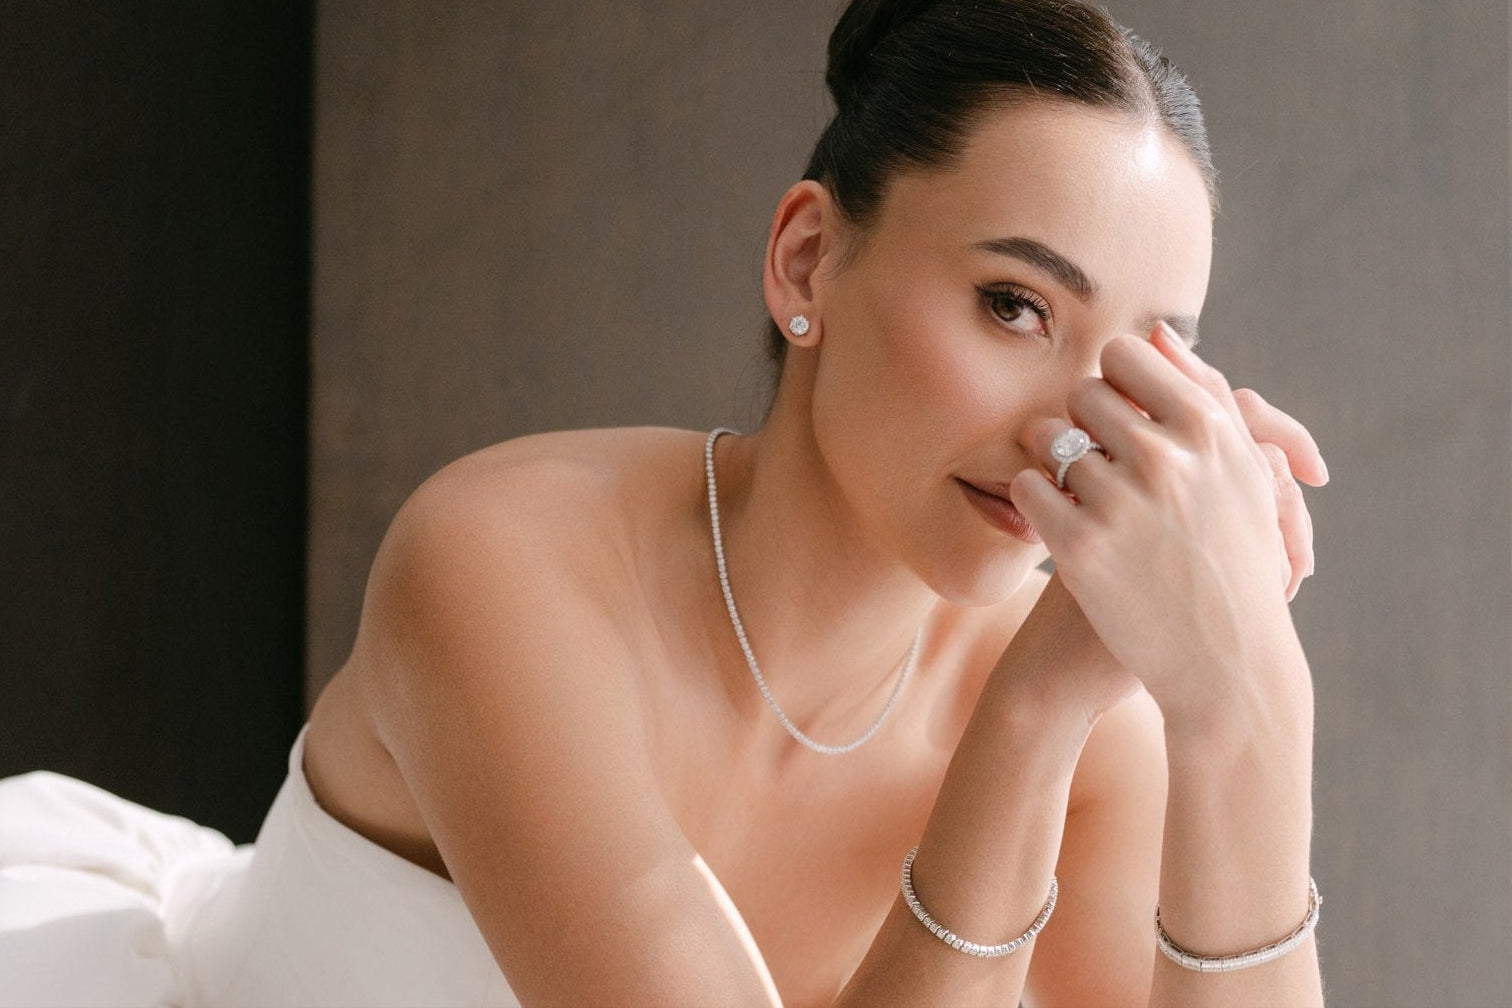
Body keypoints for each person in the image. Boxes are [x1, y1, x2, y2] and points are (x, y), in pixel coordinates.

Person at [0, 1, 1331, 1005]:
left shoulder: (1099, 717)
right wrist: (1022, 730)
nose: (1071, 428)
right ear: (808, 257)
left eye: (1141, 362)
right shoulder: (506, 564)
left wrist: (1246, 701)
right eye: (1013, 305)